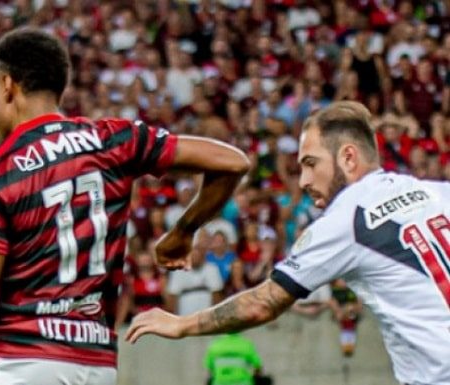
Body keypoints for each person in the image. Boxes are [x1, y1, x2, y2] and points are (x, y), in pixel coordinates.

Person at [0, 27, 250, 385]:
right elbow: (232, 162)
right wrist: (183, 231)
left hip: (20, 361)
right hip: (96, 363)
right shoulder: (113, 139)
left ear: (8, 86)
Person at [126, 101, 450, 385]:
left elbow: (261, 304)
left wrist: (182, 324)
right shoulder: (439, 192)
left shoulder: (345, 221)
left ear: (349, 158)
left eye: (311, 164)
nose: (305, 181)